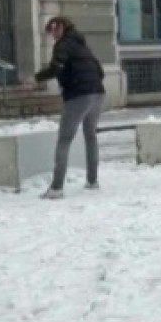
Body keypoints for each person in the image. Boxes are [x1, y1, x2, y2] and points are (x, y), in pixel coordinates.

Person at [34, 16, 106, 199]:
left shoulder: (63, 44)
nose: (52, 34)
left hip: (79, 95)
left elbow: (55, 68)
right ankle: (92, 180)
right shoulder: (81, 44)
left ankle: (56, 188)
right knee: (90, 136)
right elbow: (100, 71)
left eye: (53, 29)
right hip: (97, 92)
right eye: (49, 31)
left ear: (61, 26)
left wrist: (35, 78)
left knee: (64, 139)